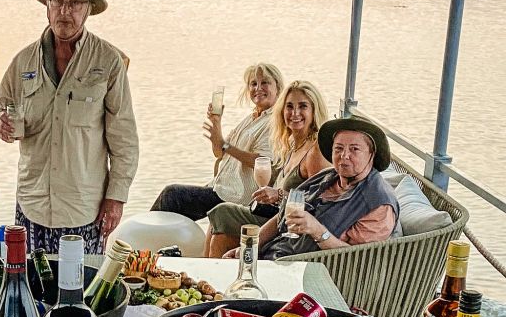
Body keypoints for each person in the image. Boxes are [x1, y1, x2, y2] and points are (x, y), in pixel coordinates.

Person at [0, 0, 139, 254]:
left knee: (83, 283)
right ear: (47, 5)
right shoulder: (23, 61)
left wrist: (116, 198)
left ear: (88, 10)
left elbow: (125, 139)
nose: (65, 11)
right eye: (57, 1)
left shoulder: (108, 61)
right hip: (32, 204)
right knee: (28, 280)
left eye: (75, 3)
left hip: (83, 209)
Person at [237, 117, 399, 261]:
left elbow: (356, 258)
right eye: (338, 148)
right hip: (275, 254)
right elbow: (283, 216)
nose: (344, 155)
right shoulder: (327, 177)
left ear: (371, 154)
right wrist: (250, 247)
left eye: (354, 149)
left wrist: (318, 231)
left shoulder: (379, 204)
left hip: (310, 271)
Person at [204, 80, 331, 257]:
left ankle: (208, 268)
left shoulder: (315, 151)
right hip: (275, 215)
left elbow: (319, 202)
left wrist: (278, 195)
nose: (295, 113)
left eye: (303, 106)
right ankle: (208, 269)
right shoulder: (292, 143)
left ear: (314, 111)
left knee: (221, 212)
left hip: (289, 229)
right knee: (220, 233)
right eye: (289, 107)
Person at [151, 63, 281, 222]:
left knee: (171, 195)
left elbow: (262, 161)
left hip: (235, 196)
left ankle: (140, 234)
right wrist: (217, 123)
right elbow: (219, 153)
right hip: (219, 187)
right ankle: (151, 233)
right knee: (174, 210)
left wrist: (225, 145)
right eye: (253, 84)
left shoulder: (274, 122)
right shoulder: (251, 119)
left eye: (265, 83)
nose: (258, 88)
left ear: (277, 87)